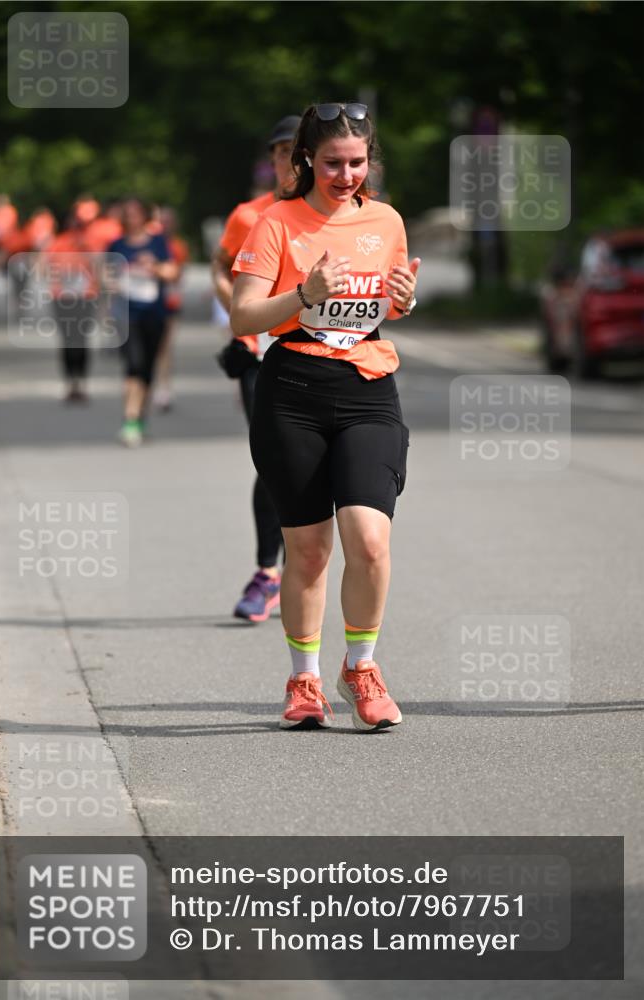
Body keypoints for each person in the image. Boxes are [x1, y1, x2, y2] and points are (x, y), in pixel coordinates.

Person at [231, 102, 420, 731]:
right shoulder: (276, 222)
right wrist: (303, 294)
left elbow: (385, 304)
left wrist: (403, 299)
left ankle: (360, 667)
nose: (346, 175)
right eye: (334, 163)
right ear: (307, 160)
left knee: (369, 539)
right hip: (292, 391)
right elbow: (243, 316)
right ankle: (304, 679)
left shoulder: (386, 220)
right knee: (308, 552)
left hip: (368, 387)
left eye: (357, 163)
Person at [211, 115, 300, 622]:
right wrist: (241, 312)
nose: (290, 160)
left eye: (298, 150)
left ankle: (298, 568)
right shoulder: (248, 216)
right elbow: (220, 265)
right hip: (258, 353)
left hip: (316, 355)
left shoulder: (335, 214)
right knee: (272, 459)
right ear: (271, 160)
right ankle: (268, 572)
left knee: (308, 465)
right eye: (282, 151)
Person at [107, 197, 179, 446]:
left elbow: (172, 272)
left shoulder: (158, 242)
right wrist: (113, 283)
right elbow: (105, 277)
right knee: (133, 365)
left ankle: (139, 417)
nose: (132, 218)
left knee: (147, 368)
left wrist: (154, 267)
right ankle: (130, 419)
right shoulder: (116, 245)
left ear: (144, 216)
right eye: (127, 214)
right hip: (126, 315)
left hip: (154, 314)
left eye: (136, 213)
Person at [42, 197, 101, 403]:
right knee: (67, 339)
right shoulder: (57, 243)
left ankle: (81, 382)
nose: (76, 227)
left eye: (80, 224)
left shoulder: (91, 242)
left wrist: (86, 251)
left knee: (82, 339)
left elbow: (101, 268)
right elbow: (43, 268)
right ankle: (70, 383)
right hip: (63, 298)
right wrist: (61, 274)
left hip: (86, 297)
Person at [152, 206, 190, 412]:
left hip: (168, 301)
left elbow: (179, 275)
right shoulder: (149, 243)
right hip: (146, 302)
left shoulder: (178, 246)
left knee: (164, 347)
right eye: (161, 222)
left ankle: (163, 387)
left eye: (167, 222)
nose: (164, 226)